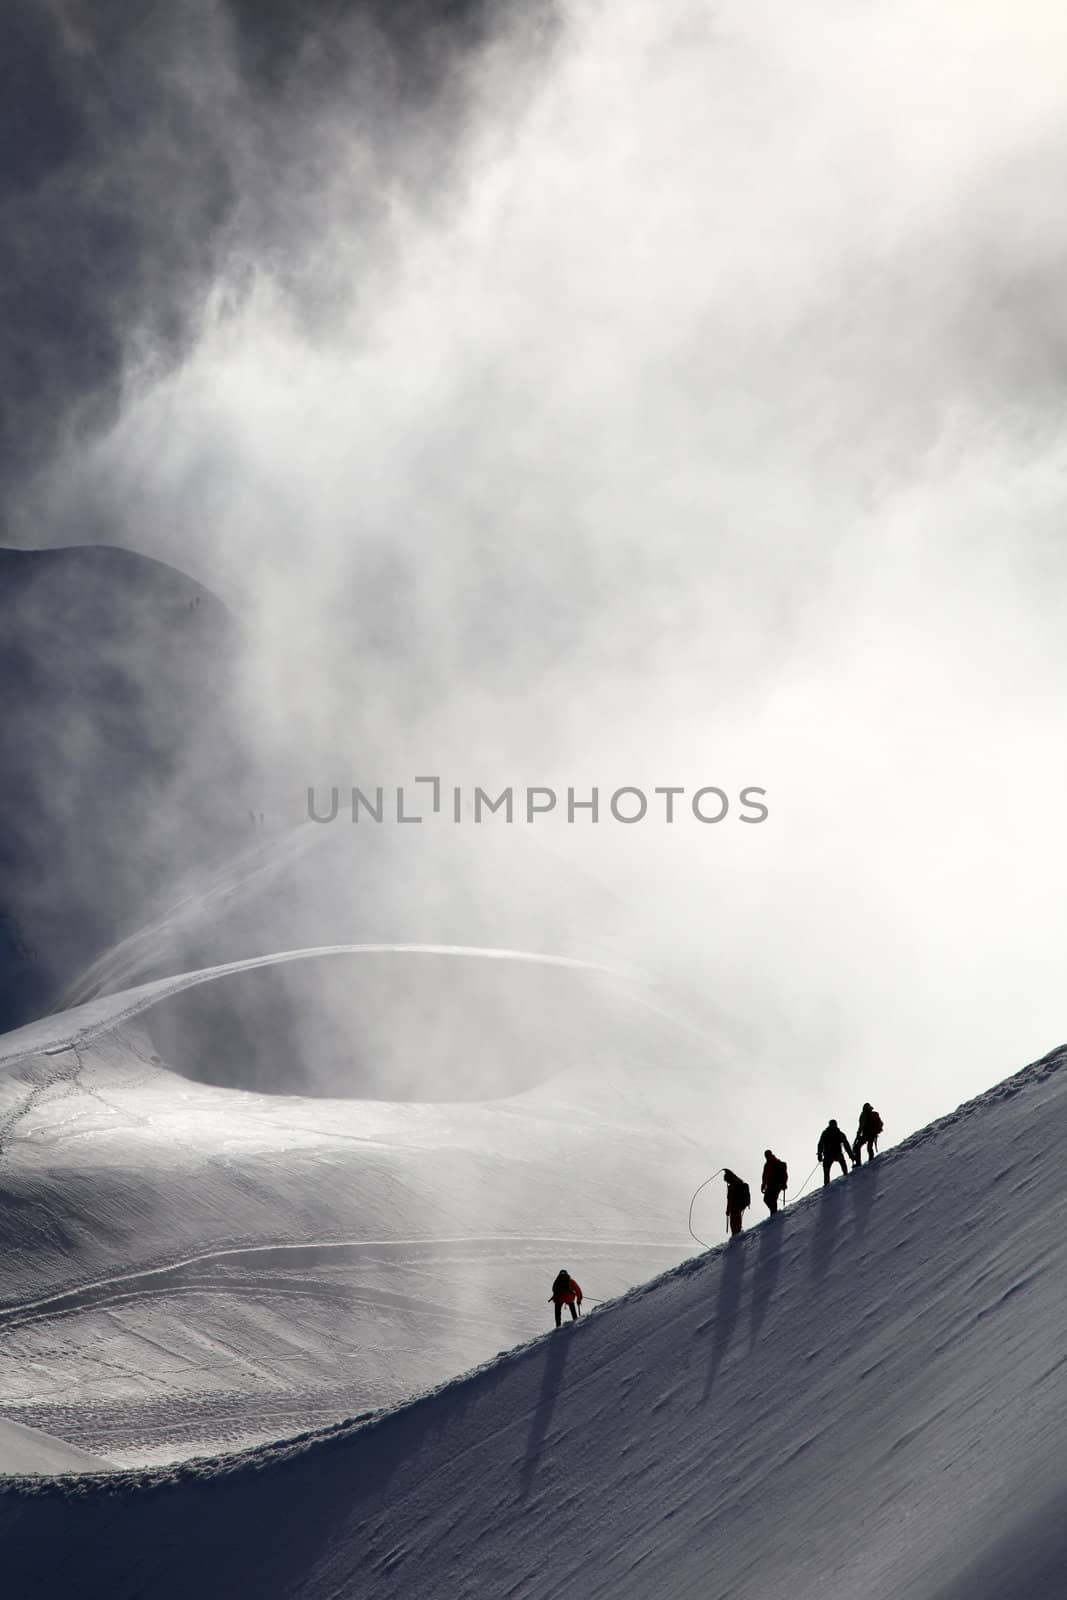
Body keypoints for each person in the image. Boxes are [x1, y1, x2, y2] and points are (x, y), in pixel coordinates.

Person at [817, 1119, 853, 1186]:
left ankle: (826, 1185)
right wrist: (851, 1155)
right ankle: (846, 1175)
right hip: (837, 1154)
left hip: (828, 1155)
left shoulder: (825, 1133)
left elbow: (820, 1144)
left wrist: (819, 1155)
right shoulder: (839, 1133)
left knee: (826, 1172)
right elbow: (846, 1145)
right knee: (843, 1164)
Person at [723, 1168, 751, 1236]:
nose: (727, 1182)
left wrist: (728, 1210)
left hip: (735, 1207)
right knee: (737, 1222)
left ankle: (736, 1237)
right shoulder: (739, 1183)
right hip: (740, 1206)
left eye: (727, 1180)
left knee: (734, 1223)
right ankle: (737, 1235)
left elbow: (730, 1200)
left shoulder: (732, 1186)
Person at [761, 1149, 788, 1215]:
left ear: (770, 1154)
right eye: (766, 1155)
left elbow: (784, 1174)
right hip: (770, 1185)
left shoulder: (776, 1162)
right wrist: (763, 1185)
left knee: (772, 1199)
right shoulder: (766, 1165)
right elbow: (764, 1176)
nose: (767, 1156)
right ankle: (774, 1212)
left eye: (767, 1155)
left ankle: (774, 1214)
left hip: (777, 1184)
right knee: (766, 1199)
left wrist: (784, 1183)